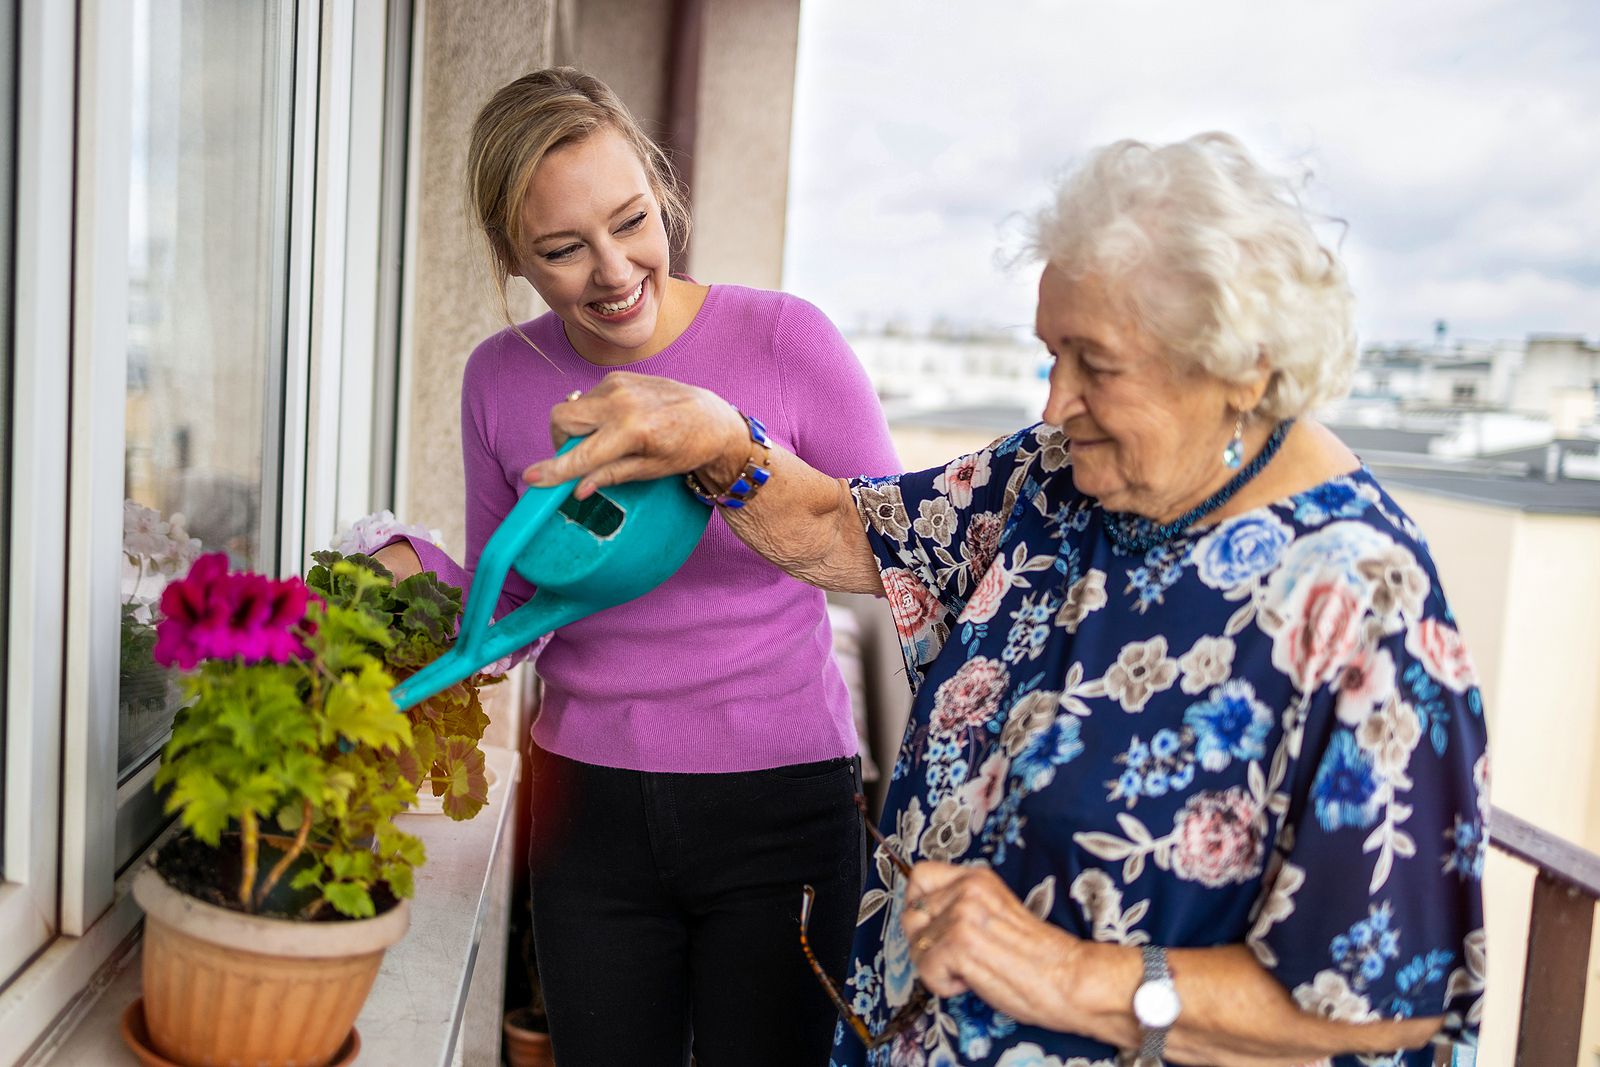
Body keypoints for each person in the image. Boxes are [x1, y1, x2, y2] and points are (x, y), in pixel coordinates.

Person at [526, 132, 1488, 1066]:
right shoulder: (1059, 473)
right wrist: (726, 444)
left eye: (1096, 364)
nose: (1055, 401)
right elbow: (848, 528)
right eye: (1050, 353)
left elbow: (1386, 1005)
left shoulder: (1362, 602)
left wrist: (1068, 975)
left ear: (1242, 368)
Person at [373, 68, 900, 1066]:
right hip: (586, 807)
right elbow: (515, 601)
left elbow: (897, 555)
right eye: (563, 249)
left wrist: (729, 451)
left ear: (660, 190)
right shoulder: (499, 375)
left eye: (631, 221)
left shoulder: (785, 341)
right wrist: (407, 574)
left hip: (778, 801)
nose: (613, 270)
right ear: (512, 256)